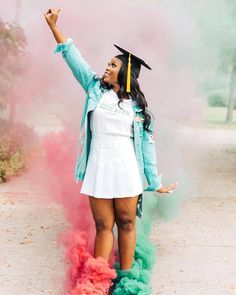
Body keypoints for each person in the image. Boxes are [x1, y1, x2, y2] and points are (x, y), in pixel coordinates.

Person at [44, 8, 178, 272]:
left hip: (127, 169)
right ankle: (99, 277)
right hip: (99, 167)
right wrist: (54, 28)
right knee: (104, 226)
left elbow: (147, 148)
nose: (107, 67)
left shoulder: (139, 110)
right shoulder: (95, 88)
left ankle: (125, 278)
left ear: (126, 73)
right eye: (108, 63)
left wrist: (155, 182)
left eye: (113, 65)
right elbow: (75, 59)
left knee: (127, 223)